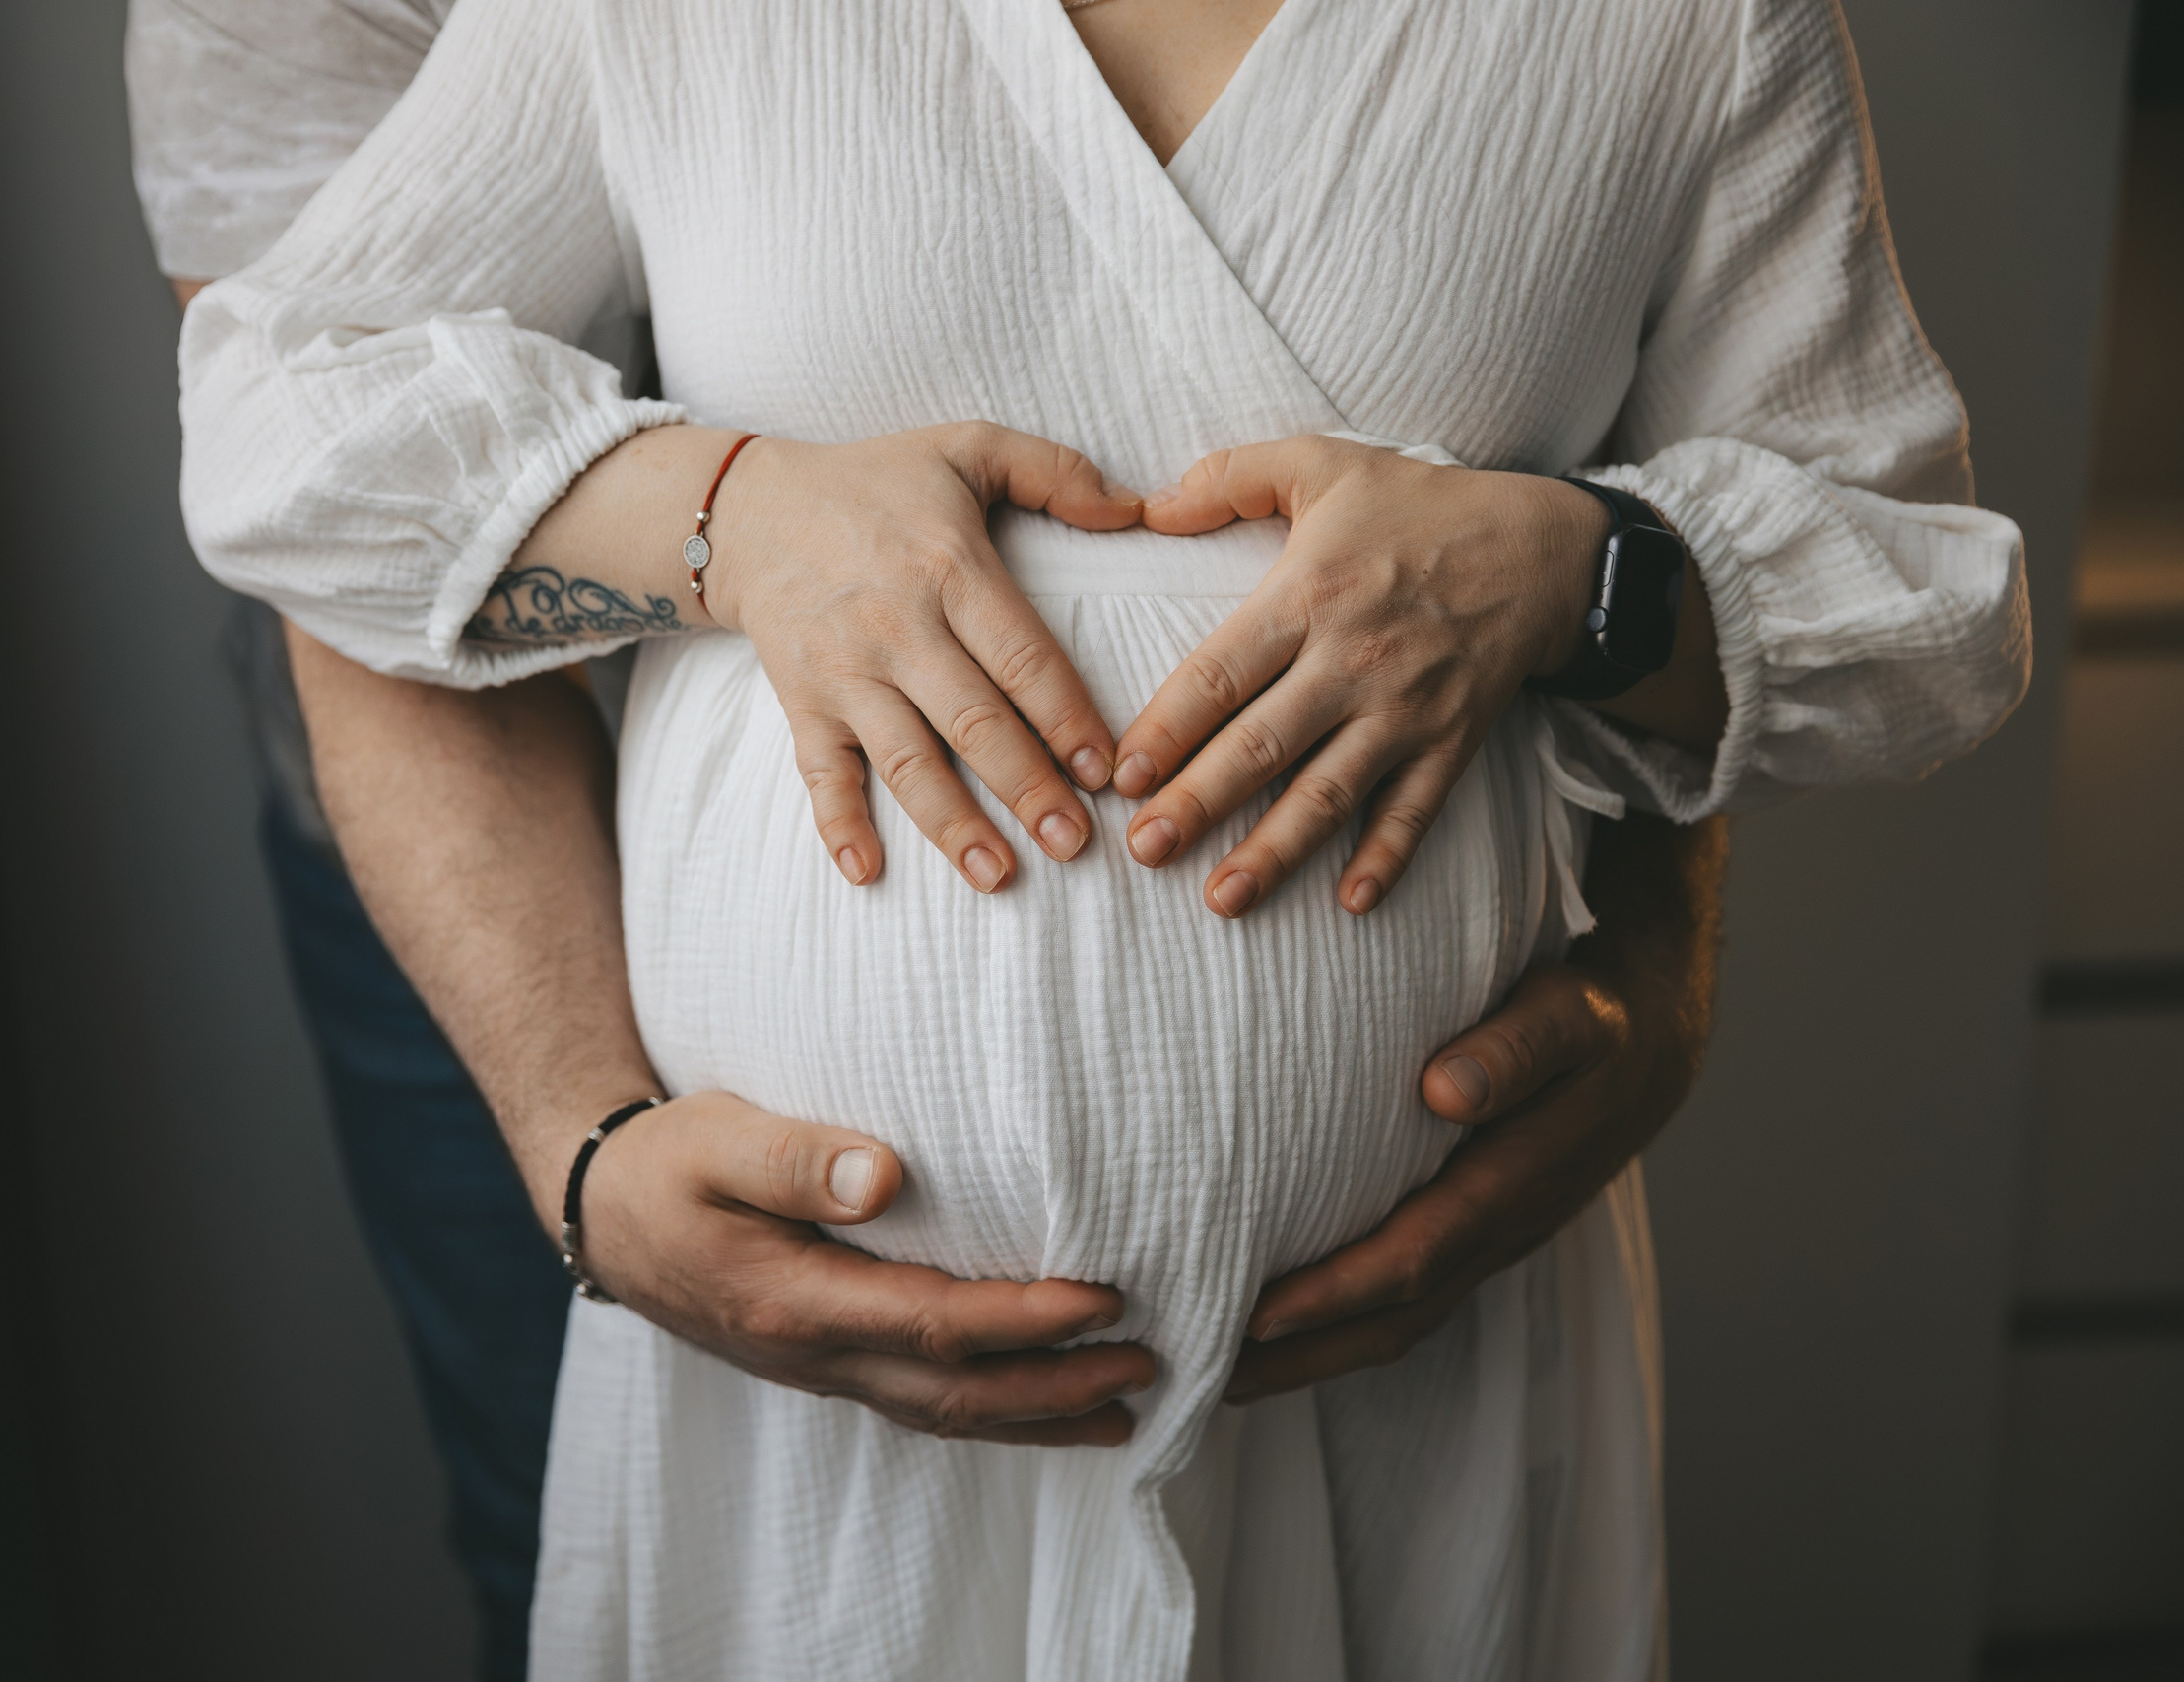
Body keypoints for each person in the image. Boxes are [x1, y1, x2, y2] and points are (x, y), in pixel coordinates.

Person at [160, 0, 2026, 1676]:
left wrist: (1583, 575)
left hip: (1411, 1371)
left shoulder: (1688, 24)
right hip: (795, 1398)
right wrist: (728, 514)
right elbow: (286, 422)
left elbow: (1930, 621)